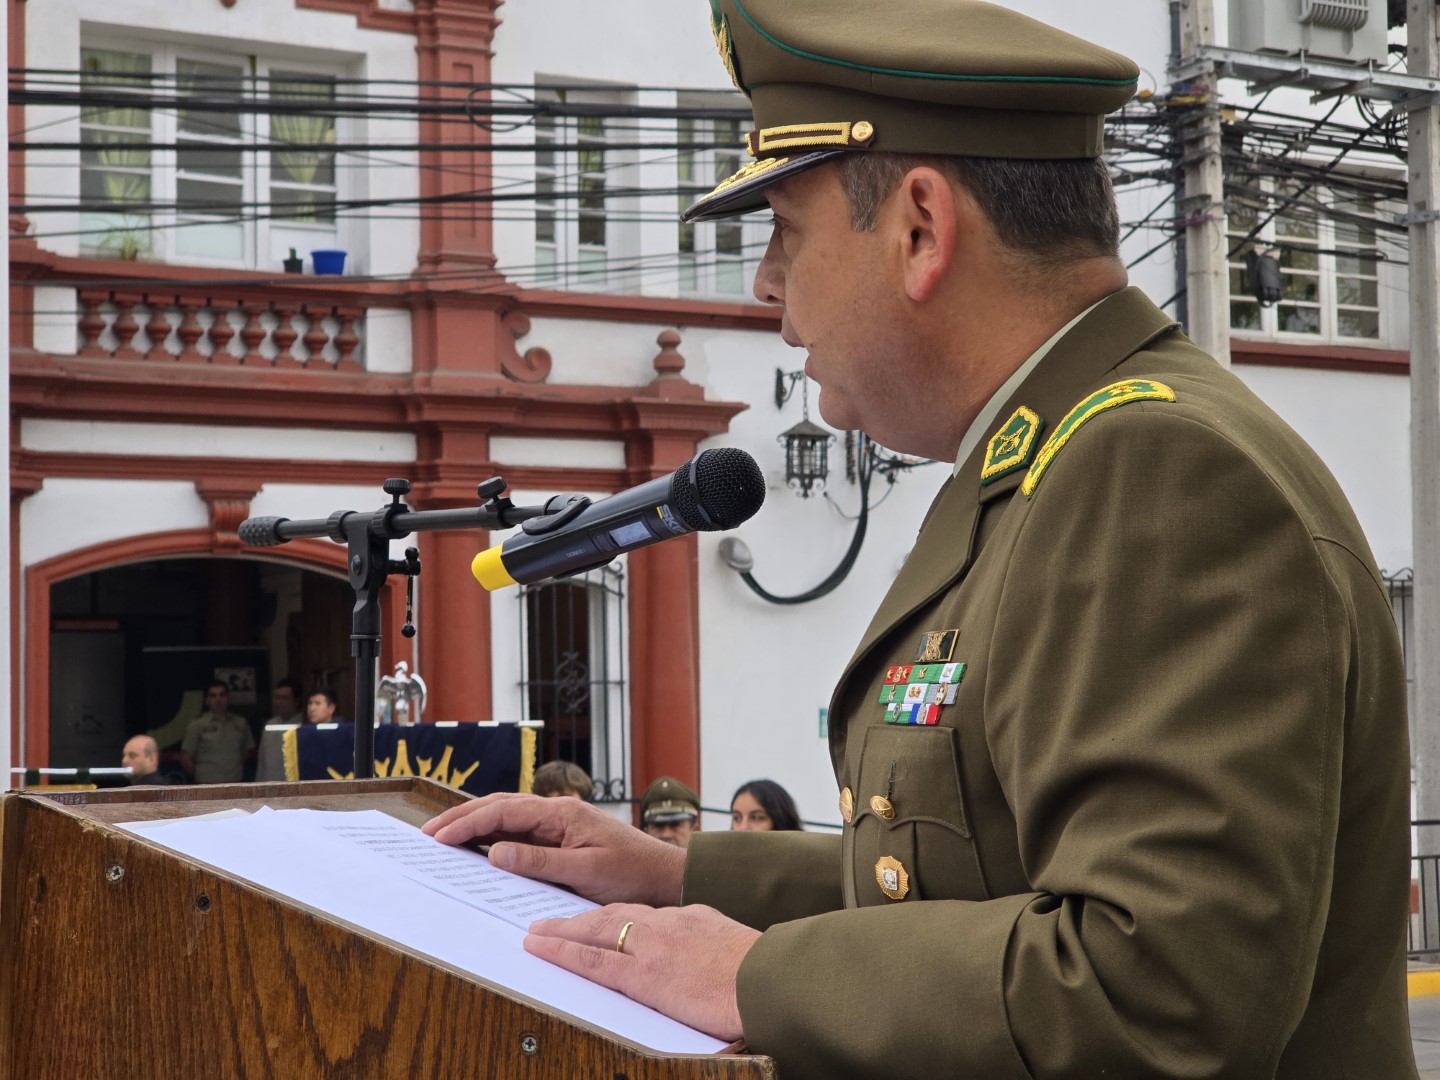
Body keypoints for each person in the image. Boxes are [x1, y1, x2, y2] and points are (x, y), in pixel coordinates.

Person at [423, 2, 1416, 1076]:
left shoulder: (1156, 473)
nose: (766, 286)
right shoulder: (1050, 461)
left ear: (922, 230)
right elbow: (970, 879)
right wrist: (680, 877)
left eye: (786, 232)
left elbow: (1157, 988)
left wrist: (753, 978)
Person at [177, 681, 256, 785]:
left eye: (222, 695)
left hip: (235, 784)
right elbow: (185, 757)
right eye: (213, 696)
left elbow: (246, 753)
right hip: (206, 784)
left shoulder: (240, 723)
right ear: (207, 701)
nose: (218, 700)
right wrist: (200, 775)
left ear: (228, 698)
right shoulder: (197, 725)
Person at [637, 776, 699, 849]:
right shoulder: (629, 860)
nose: (666, 834)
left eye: (675, 825)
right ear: (646, 833)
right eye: (658, 826)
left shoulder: (711, 860)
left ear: (694, 830)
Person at [729, 779, 802, 832]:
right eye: (736, 818)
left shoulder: (807, 852)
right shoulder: (721, 852)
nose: (743, 828)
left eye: (757, 818)